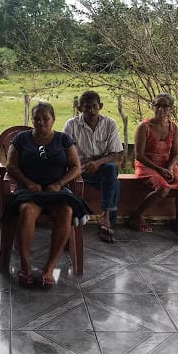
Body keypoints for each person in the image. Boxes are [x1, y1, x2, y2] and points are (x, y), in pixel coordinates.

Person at [2, 101, 91, 289]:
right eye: (37, 118)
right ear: (32, 120)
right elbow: (11, 165)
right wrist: (28, 182)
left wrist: (59, 183)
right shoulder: (21, 139)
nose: (41, 122)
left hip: (56, 190)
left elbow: (76, 167)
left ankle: (49, 268)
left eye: (45, 118)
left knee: (67, 211)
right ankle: (25, 265)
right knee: (27, 211)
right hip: (28, 190)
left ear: (53, 120)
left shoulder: (63, 139)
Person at [64, 90, 123, 243]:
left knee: (111, 169)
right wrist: (80, 166)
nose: (91, 111)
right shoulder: (71, 125)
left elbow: (114, 154)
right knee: (115, 183)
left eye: (94, 106)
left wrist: (97, 163)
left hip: (101, 169)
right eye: (87, 107)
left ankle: (105, 216)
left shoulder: (109, 124)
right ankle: (107, 220)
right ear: (80, 109)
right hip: (79, 171)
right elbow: (65, 153)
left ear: (100, 106)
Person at [129, 93, 178, 236]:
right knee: (163, 189)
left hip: (166, 165)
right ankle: (136, 216)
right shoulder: (144, 127)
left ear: (171, 108)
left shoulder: (173, 128)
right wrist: (159, 169)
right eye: (157, 105)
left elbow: (175, 153)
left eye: (165, 106)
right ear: (153, 106)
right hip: (146, 165)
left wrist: (169, 168)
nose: (160, 109)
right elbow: (139, 155)